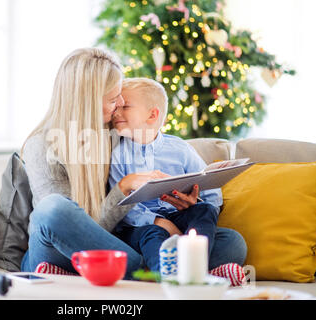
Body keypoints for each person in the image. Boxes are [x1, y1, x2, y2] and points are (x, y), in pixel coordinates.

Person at [19, 48, 247, 279]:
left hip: (118, 244)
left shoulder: (115, 134)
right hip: (59, 251)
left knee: (232, 242)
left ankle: (155, 268)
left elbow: (153, 137)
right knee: (52, 209)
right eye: (112, 99)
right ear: (87, 102)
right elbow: (79, 230)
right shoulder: (41, 146)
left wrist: (186, 197)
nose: (119, 104)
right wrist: (124, 187)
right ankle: (160, 269)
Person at [109, 77, 246, 273]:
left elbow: (211, 194)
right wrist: (160, 222)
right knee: (152, 235)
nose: (117, 112)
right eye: (116, 107)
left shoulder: (180, 149)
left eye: (126, 107)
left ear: (152, 115)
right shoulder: (117, 154)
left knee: (219, 225)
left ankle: (194, 268)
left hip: (181, 220)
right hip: (141, 227)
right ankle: (167, 276)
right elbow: (121, 206)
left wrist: (196, 205)